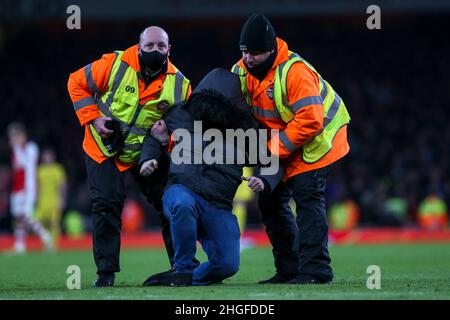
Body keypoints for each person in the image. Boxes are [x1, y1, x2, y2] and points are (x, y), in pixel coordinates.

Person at [67, 26, 191, 287]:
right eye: (149, 46)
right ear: (138, 47)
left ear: (169, 50)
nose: (154, 50)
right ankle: (106, 274)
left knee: (170, 202)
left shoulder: (181, 85)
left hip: (144, 152)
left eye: (160, 46)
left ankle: (181, 267)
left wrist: (162, 144)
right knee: (107, 203)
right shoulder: (114, 64)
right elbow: (75, 82)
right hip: (103, 147)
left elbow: (182, 129)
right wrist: (94, 119)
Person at [232, 14, 351, 284]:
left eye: (256, 53)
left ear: (272, 49)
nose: (248, 58)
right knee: (270, 200)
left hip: (320, 140)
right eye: (245, 51)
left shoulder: (295, 72)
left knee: (307, 197)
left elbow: (310, 120)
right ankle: (289, 269)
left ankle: (316, 270)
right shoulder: (240, 70)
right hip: (286, 141)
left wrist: (271, 151)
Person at [140, 68, 283, 286]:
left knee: (228, 265)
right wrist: (148, 157)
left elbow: (273, 161)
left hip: (218, 206)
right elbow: (154, 133)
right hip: (182, 190)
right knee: (182, 203)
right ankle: (183, 268)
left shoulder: (244, 132)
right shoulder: (181, 114)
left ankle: (186, 277)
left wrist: (264, 180)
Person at [7, 122, 53, 253]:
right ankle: (20, 245)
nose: (13, 140)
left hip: (28, 187)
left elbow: (23, 163)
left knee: (27, 215)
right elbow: (17, 168)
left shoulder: (31, 148)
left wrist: (16, 147)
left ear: (22, 136)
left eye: (15, 137)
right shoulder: (17, 151)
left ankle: (46, 237)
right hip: (17, 188)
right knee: (18, 217)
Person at [35, 148, 67, 248]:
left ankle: (54, 244)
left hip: (54, 200)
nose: (48, 159)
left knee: (54, 223)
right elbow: (37, 186)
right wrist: (35, 199)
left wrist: (62, 199)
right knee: (39, 222)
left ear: (53, 157)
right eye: (46, 157)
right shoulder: (40, 170)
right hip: (42, 201)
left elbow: (62, 185)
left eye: (49, 156)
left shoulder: (58, 169)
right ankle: (46, 242)